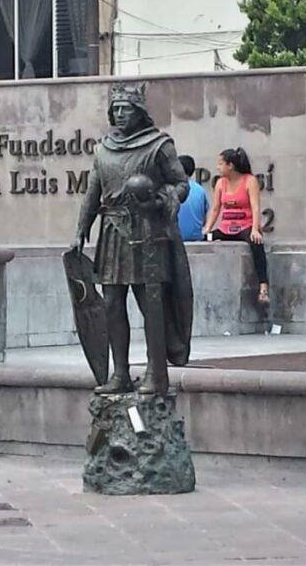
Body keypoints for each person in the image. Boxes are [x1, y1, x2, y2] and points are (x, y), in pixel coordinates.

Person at [71, 83, 194, 395]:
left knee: (149, 304)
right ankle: (121, 373)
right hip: (112, 232)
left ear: (140, 112)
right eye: (116, 109)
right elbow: (92, 192)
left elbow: (181, 184)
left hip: (147, 232)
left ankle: (157, 371)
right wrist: (80, 230)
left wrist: (162, 197)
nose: (120, 114)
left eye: (127, 108)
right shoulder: (103, 150)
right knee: (112, 303)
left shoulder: (158, 145)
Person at [202, 147, 270, 305]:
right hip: (226, 228)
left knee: (256, 244)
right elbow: (215, 208)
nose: (217, 167)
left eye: (220, 164)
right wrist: (207, 228)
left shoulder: (249, 181)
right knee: (204, 238)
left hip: (244, 226)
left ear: (230, 165)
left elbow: (255, 207)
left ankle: (263, 287)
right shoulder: (220, 183)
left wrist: (255, 228)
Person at [176, 155, 208, 242]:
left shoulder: (171, 189)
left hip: (174, 241)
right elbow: (204, 220)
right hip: (197, 239)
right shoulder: (201, 190)